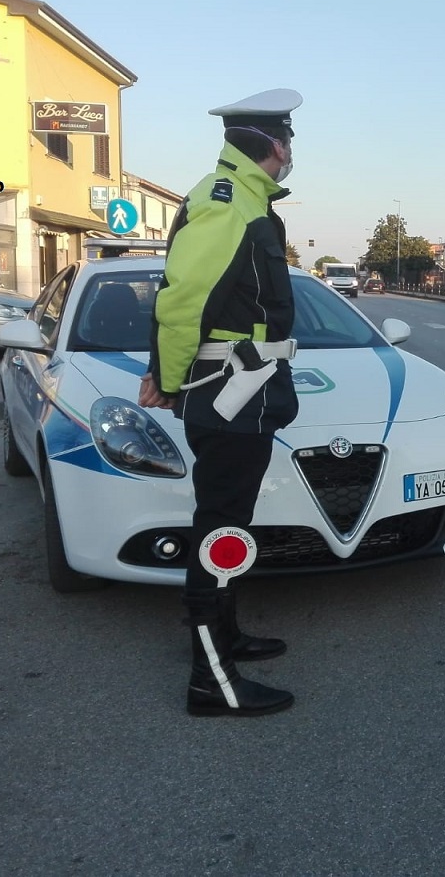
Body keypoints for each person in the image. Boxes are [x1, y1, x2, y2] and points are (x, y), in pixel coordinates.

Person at [138, 88, 303, 717]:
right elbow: (183, 297)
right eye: (288, 143)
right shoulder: (228, 201)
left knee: (230, 519)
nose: (290, 155)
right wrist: (169, 378)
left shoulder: (246, 199)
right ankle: (211, 681)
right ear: (273, 145)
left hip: (246, 389)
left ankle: (225, 638)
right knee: (221, 525)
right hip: (229, 391)